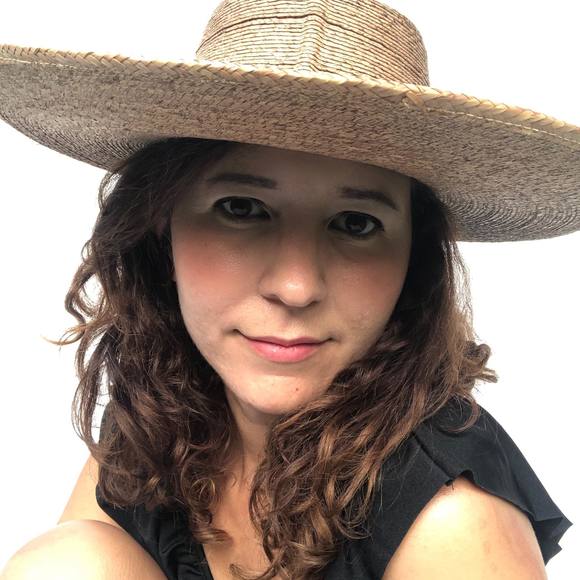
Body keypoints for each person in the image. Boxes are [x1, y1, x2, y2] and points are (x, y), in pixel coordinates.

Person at [0, 0, 576, 579]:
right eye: (242, 209)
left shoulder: (452, 525)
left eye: (356, 223)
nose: (296, 287)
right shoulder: (161, 412)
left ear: (413, 260)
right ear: (159, 230)